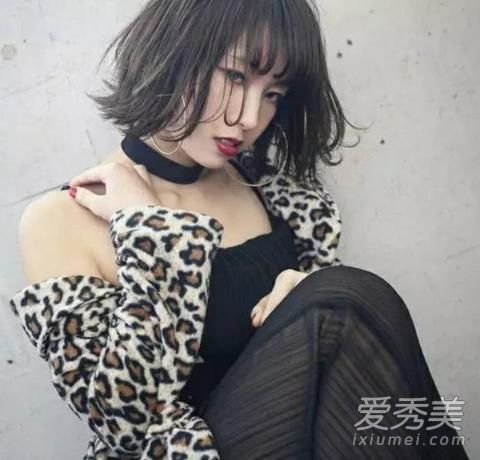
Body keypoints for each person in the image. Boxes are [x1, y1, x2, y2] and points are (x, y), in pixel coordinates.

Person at [9, 0, 469, 459]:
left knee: (341, 305)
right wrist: (149, 231)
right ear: (171, 52)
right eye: (234, 76)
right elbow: (122, 421)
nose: (251, 118)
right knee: (345, 305)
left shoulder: (265, 186)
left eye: (274, 94)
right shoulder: (61, 219)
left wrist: (306, 297)